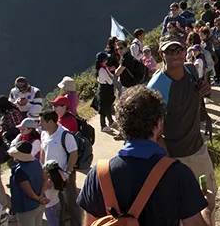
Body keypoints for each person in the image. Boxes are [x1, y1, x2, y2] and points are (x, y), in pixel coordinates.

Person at [78, 86, 209, 225]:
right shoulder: (179, 174)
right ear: (158, 123)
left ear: (122, 126)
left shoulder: (98, 175)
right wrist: (207, 211)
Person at [147, 32, 216, 225]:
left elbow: (201, 93)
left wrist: (206, 88)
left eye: (179, 49)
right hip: (174, 158)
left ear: (186, 50)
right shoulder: (156, 88)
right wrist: (167, 161)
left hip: (199, 149)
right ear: (162, 54)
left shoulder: (192, 72)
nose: (175, 54)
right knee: (181, 212)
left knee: (208, 203)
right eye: (170, 50)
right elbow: (152, 131)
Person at [40, 109, 81, 226]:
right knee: (57, 202)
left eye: (42, 122)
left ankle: (76, 223)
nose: (40, 124)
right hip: (50, 174)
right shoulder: (44, 134)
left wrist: (67, 172)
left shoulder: (65, 134)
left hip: (64, 174)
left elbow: (74, 153)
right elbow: (43, 151)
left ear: (51, 122)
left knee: (71, 200)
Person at [8, 141, 47, 226]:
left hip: (26, 207)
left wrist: (38, 199)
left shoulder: (20, 171)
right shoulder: (36, 162)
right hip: (39, 205)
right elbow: (45, 179)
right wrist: (41, 195)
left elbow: (28, 191)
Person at [95, 52, 117, 133]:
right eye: (106, 59)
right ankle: (103, 125)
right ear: (103, 60)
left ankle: (110, 121)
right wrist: (112, 75)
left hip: (105, 89)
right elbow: (110, 81)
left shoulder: (103, 68)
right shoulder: (102, 71)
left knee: (108, 105)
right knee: (103, 108)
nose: (107, 60)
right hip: (105, 90)